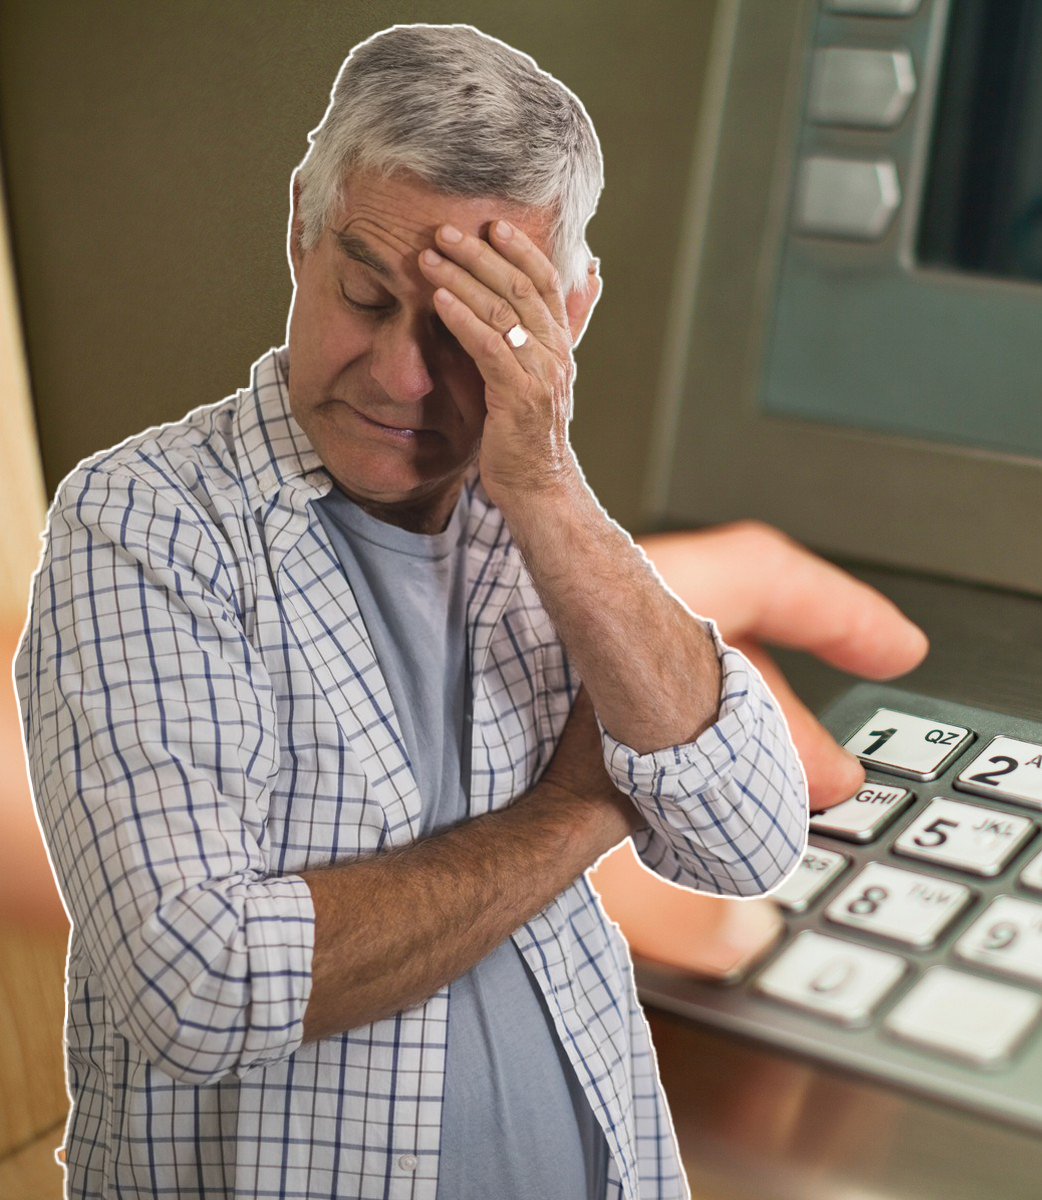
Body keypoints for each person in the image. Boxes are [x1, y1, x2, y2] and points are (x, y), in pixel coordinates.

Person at [13, 23, 925, 1200]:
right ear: (301, 225)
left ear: (568, 314)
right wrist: (573, 814)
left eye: (465, 330)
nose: (401, 376)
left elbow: (746, 838)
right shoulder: (143, 523)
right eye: (364, 294)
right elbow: (204, 983)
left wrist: (545, 485)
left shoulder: (538, 519)